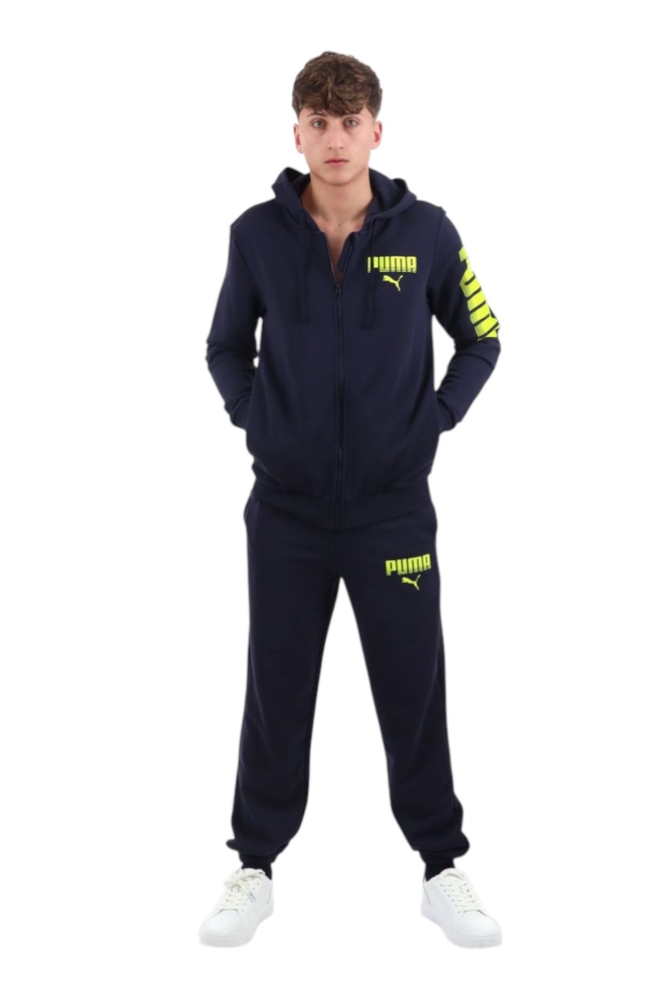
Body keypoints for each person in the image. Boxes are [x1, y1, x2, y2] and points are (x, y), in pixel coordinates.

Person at [200, 51, 502, 948]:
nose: (336, 139)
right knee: (276, 685)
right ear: (297, 133)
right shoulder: (257, 235)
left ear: (378, 130)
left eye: (351, 121)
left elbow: (483, 336)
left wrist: (432, 421)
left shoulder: (428, 233)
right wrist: (260, 421)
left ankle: (442, 868)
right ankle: (254, 866)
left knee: (413, 686)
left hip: (391, 510)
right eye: (319, 123)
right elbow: (224, 347)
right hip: (286, 513)